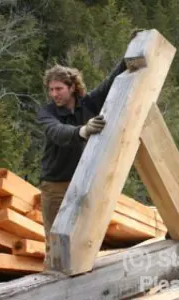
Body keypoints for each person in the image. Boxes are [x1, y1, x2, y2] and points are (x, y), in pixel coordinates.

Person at [36, 57, 127, 270]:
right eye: (51, 89)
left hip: (83, 181)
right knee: (55, 243)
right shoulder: (47, 113)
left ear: (73, 87)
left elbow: (110, 83)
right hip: (55, 186)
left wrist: (126, 59)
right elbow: (57, 133)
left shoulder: (88, 103)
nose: (54, 94)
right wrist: (82, 130)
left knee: (85, 237)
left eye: (59, 89)